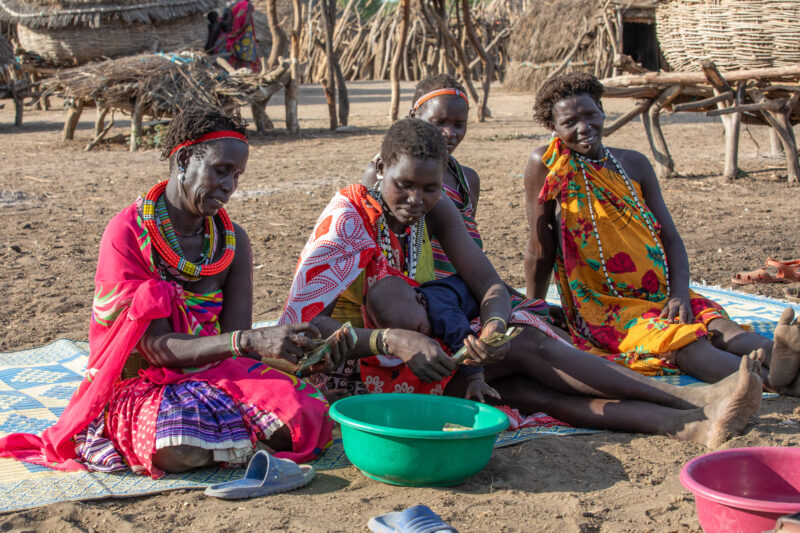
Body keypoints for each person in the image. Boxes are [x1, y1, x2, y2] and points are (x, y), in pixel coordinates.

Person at [282, 117, 764, 448]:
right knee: (529, 348)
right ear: (381, 168)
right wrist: (390, 338)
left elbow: (489, 283)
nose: (416, 198)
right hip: (351, 378)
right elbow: (297, 332)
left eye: (429, 188)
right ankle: (693, 399)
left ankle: (688, 426)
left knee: (526, 386)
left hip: (424, 363)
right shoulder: (346, 220)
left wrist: (492, 326)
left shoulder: (436, 208)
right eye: (403, 184)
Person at [0, 106, 352, 478]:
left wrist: (295, 353)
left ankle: (229, 443)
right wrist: (249, 340)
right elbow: (156, 348)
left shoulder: (232, 242)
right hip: (144, 381)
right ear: (184, 159)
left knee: (306, 414)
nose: (229, 186)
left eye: (237, 176)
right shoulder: (127, 235)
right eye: (220, 171)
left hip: (213, 373)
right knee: (174, 442)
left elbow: (234, 345)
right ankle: (238, 442)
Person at [523, 72, 800, 395]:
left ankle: (783, 357)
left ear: (601, 109)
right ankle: (774, 383)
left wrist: (680, 293)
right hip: (604, 304)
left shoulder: (634, 164)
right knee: (682, 344)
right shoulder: (548, 164)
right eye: (569, 122)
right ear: (553, 128)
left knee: (720, 327)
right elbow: (539, 247)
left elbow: (671, 239)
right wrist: (533, 309)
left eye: (590, 114)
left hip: (661, 291)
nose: (583, 127)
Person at [363, 74, 481, 279]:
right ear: (413, 117)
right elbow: (372, 240)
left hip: (460, 287)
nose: (449, 133)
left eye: (458, 124)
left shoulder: (467, 179)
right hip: (403, 290)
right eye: (439, 122)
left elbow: (464, 244)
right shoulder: (381, 174)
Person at [365, 274, 500, 403]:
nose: (418, 342)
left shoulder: (443, 314)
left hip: (480, 299)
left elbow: (465, 340)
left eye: (418, 330)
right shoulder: (412, 311)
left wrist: (475, 379)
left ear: (422, 301)